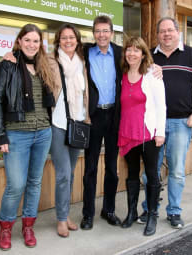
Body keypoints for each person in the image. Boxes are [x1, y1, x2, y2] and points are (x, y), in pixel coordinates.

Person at [137, 17, 192, 229]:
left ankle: (174, 211)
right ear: (158, 34)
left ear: (178, 32)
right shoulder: (149, 57)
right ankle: (149, 208)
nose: (166, 34)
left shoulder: (191, 55)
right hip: (153, 124)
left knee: (177, 171)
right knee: (150, 171)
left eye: (170, 30)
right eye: (162, 31)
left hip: (181, 123)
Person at [0, 24, 56, 250]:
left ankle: (28, 226)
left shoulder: (43, 66)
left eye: (36, 41)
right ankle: (6, 228)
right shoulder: (8, 65)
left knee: (34, 183)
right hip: (16, 134)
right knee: (16, 185)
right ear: (19, 41)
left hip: (43, 132)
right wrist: (0, 136)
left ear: (40, 45)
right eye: (27, 40)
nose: (31, 45)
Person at [118, 36, 166, 236]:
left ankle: (152, 215)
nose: (132, 53)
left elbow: (161, 106)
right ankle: (131, 213)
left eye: (136, 50)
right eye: (129, 50)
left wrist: (160, 132)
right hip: (128, 132)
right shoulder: (121, 75)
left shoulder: (152, 75)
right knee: (132, 175)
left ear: (143, 53)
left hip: (148, 133)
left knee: (152, 175)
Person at [79, 15, 123, 230]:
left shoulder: (121, 53)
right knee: (90, 168)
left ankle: (109, 210)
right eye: (98, 31)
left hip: (115, 116)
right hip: (94, 116)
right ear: (93, 33)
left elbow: (143, 64)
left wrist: (156, 69)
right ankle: (88, 214)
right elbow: (59, 53)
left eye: (106, 31)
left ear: (112, 33)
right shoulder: (85, 52)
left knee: (112, 169)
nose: (102, 35)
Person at [48, 24, 90, 238]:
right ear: (58, 40)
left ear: (77, 40)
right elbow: (25, 61)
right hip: (58, 125)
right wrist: (10, 54)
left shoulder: (83, 62)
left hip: (78, 125)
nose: (68, 41)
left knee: (71, 173)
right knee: (63, 174)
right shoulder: (50, 61)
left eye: (71, 37)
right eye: (63, 38)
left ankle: (65, 214)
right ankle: (61, 220)